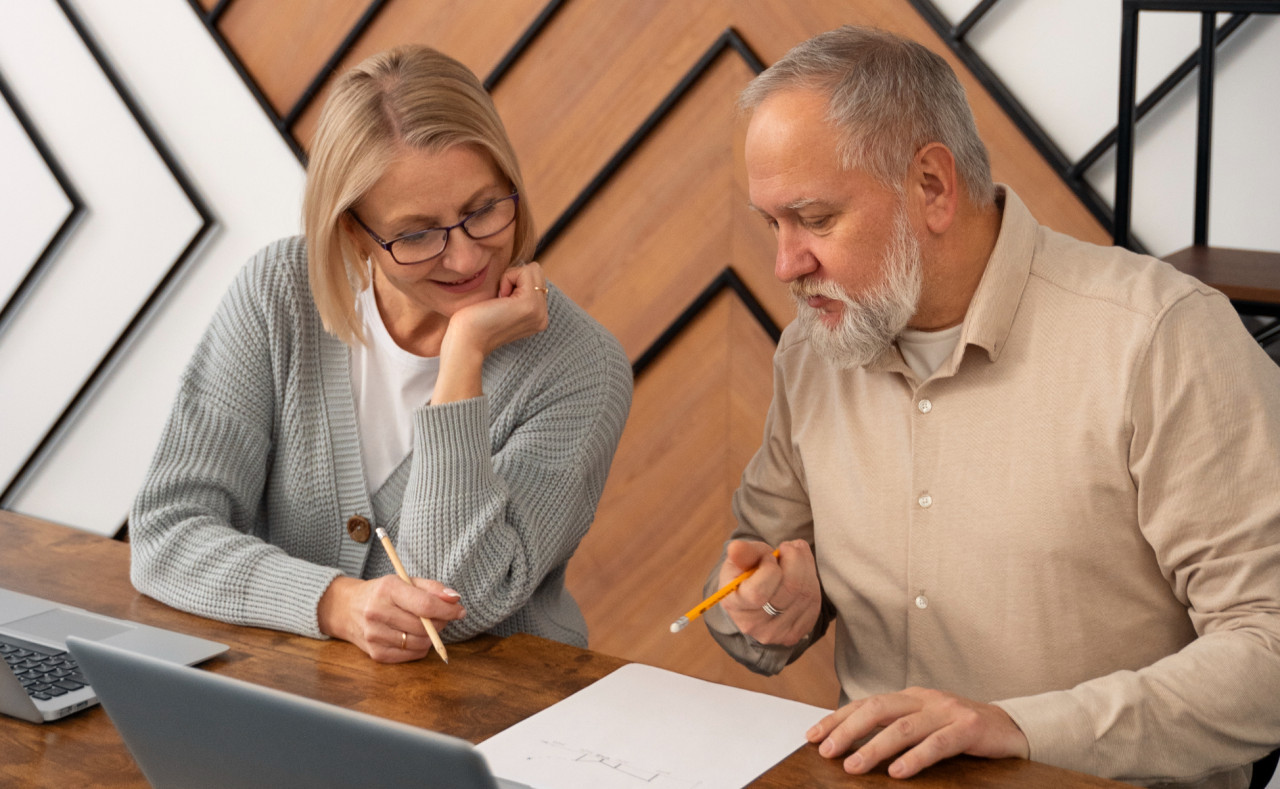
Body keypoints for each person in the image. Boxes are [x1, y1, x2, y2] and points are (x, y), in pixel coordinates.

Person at [702, 25, 1280, 788]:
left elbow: (1268, 646)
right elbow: (750, 578)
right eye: (771, 224)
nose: (785, 264)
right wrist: (764, 605)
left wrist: (1021, 729)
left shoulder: (1161, 339)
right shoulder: (812, 354)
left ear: (933, 187)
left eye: (814, 219)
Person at [129, 45, 632, 664]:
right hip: (297, 702)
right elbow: (167, 531)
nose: (467, 257)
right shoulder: (279, 296)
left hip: (497, 720)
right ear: (351, 231)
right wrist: (333, 602)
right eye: (416, 234)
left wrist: (464, 356)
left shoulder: (580, 367)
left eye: (483, 210)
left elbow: (456, 600)